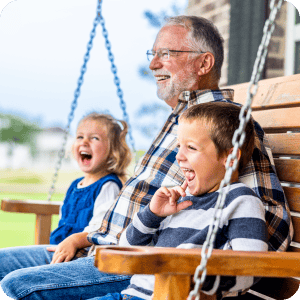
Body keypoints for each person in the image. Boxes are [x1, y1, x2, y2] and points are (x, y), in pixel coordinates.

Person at [0, 15, 292, 300]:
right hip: (101, 246)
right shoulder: (182, 122)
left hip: (142, 264)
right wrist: (85, 237)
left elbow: (270, 227)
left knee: (19, 284)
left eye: (165, 53)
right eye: (153, 54)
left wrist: (189, 263)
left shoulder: (224, 127)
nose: (153, 64)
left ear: (203, 63)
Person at [87, 102, 268, 300]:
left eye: (191, 147)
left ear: (230, 158)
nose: (179, 157)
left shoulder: (240, 200)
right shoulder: (180, 202)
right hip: (129, 295)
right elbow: (125, 248)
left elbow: (252, 266)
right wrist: (152, 215)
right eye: (178, 147)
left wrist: (193, 274)